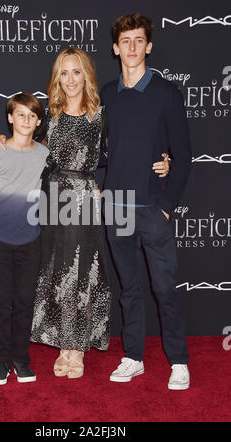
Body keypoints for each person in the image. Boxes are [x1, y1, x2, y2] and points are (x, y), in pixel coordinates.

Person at [0, 47, 169, 380]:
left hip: (84, 200)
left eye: (76, 72)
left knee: (81, 272)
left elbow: (127, 150)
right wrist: (1, 137)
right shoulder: (48, 115)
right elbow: (23, 141)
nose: (70, 79)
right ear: (56, 78)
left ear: (86, 74)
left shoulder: (102, 115)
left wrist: (165, 159)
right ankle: (63, 346)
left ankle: (77, 349)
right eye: (63, 73)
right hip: (52, 200)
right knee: (56, 273)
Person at [100, 13, 192, 390]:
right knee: (130, 290)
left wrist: (167, 204)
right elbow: (100, 153)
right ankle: (133, 356)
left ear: (149, 46)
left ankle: (179, 361)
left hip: (154, 210)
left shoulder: (166, 93)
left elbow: (183, 154)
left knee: (165, 289)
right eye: (126, 41)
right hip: (117, 207)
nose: (133, 47)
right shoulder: (106, 95)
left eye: (139, 40)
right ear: (115, 47)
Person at [0, 93, 49, 385]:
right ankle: (2, 361)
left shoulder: (43, 154)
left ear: (39, 121)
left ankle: (21, 359)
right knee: (1, 304)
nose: (26, 121)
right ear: (9, 118)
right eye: (20, 114)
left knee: (25, 302)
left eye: (32, 116)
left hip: (30, 239)